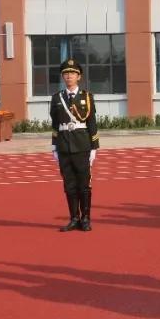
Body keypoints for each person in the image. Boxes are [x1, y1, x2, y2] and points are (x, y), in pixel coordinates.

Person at [50, 59, 99, 232]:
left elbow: (92, 122)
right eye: (66, 73)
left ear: (79, 76)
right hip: (64, 146)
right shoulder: (57, 98)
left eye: (72, 73)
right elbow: (55, 124)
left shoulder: (87, 97)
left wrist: (94, 147)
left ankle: (85, 218)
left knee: (84, 185)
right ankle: (74, 218)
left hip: (82, 145)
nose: (69, 76)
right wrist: (54, 146)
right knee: (69, 185)